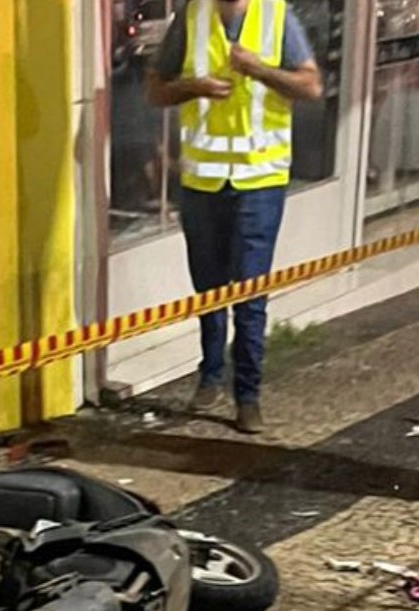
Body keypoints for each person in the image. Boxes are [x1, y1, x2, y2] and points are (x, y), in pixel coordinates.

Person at [147, 0, 322, 433]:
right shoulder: (192, 16)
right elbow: (156, 91)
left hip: (259, 180)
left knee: (250, 293)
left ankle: (248, 396)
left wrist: (259, 70)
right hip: (202, 181)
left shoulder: (276, 15)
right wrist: (195, 87)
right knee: (208, 290)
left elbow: (310, 86)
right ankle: (210, 375)